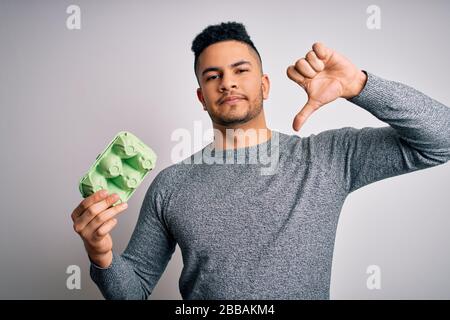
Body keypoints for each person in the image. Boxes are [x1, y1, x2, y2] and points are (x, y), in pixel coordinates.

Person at [71, 22, 450, 299]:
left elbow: (441, 140)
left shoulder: (327, 158)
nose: (227, 83)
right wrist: (101, 256)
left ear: (264, 85)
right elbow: (132, 290)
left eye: (240, 71)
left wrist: (361, 86)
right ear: (201, 96)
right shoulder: (171, 185)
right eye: (213, 76)